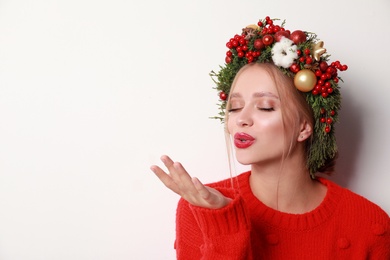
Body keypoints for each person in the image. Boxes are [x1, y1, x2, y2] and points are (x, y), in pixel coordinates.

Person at [150, 16, 390, 259]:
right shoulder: (202, 206)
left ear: (304, 128)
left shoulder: (369, 223)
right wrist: (221, 222)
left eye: (265, 107)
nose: (241, 119)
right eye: (234, 107)